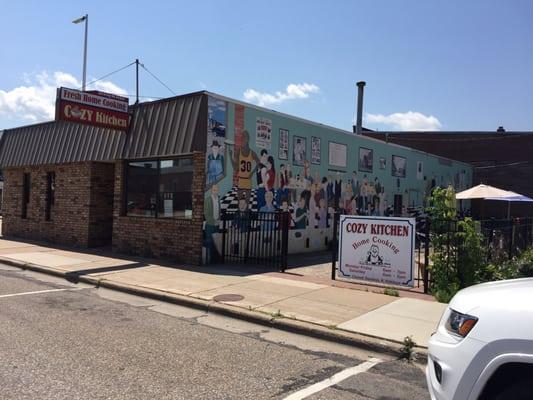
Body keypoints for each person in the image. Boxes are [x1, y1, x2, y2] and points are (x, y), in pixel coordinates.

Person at [204, 184, 221, 263]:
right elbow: (206, 214)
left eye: (217, 190)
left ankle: (214, 259)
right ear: (211, 190)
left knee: (216, 244)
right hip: (210, 225)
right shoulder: (208, 200)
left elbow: (218, 212)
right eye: (214, 190)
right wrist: (214, 221)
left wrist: (218, 220)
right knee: (210, 242)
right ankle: (209, 259)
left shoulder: (218, 199)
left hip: (216, 225)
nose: (215, 191)